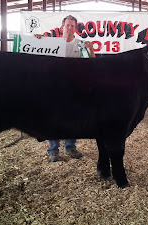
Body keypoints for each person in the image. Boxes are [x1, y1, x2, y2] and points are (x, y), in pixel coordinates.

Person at [35, 15, 95, 162]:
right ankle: (53, 150)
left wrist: (91, 49)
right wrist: (37, 40)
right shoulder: (51, 43)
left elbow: (92, 63)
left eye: (72, 26)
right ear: (62, 27)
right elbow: (36, 56)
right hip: (54, 86)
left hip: (73, 87)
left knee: (72, 117)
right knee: (53, 117)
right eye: (67, 25)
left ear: (75, 28)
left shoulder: (81, 45)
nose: (69, 28)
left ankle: (70, 147)